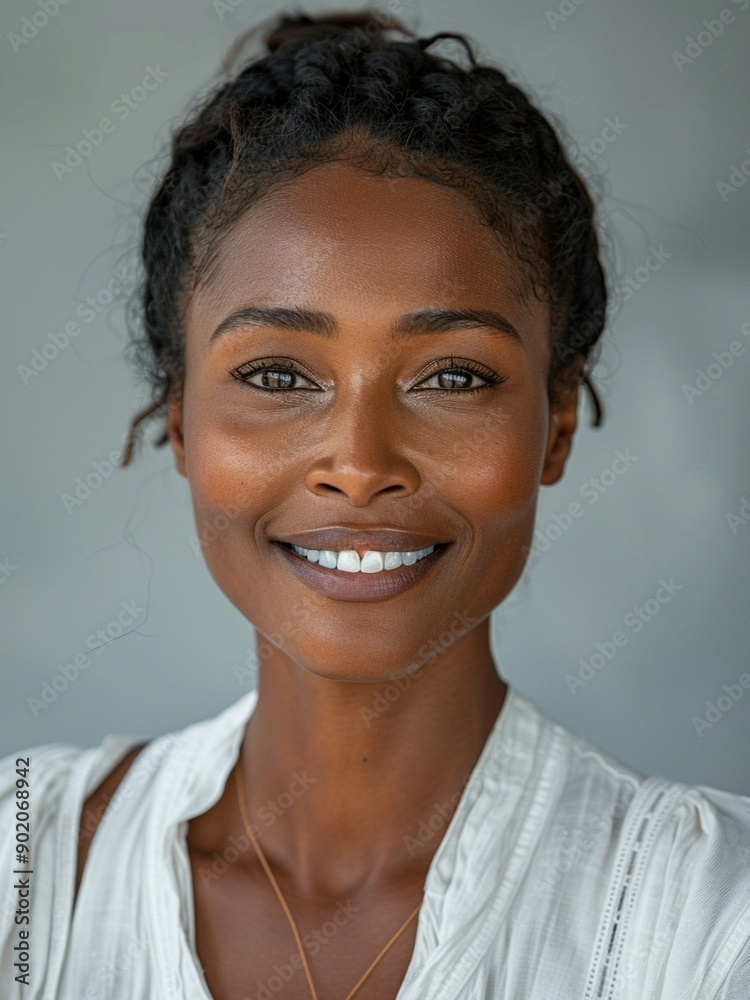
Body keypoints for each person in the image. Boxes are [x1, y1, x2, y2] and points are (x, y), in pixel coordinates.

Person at [2, 9, 749, 1000]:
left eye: (451, 377)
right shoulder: (28, 876)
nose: (359, 465)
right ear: (181, 418)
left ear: (557, 421)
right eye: (275, 374)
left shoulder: (707, 921)